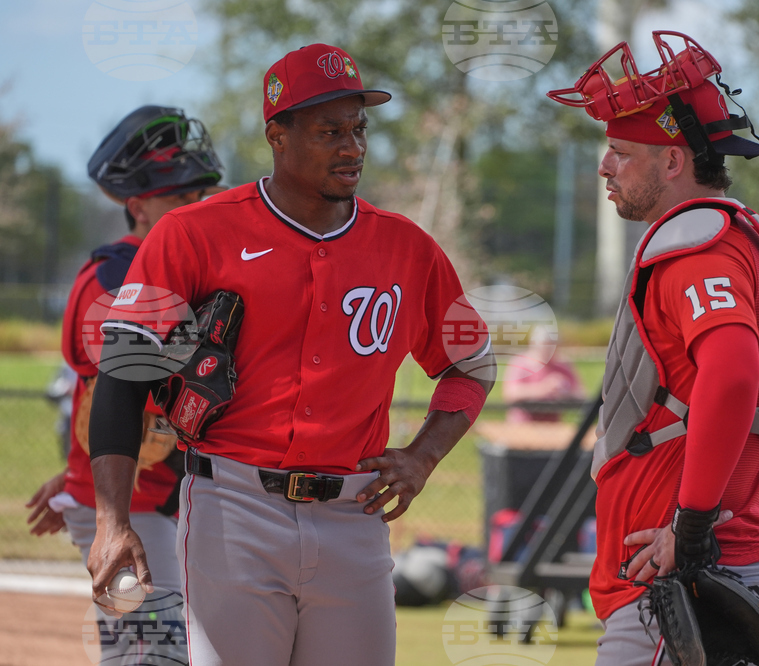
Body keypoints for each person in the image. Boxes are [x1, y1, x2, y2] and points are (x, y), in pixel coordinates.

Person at [85, 43, 495, 666]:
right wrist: (112, 520)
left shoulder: (406, 248)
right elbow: (124, 370)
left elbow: (471, 366)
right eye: (330, 131)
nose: (352, 147)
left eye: (359, 129)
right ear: (277, 135)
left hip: (356, 516)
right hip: (234, 508)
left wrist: (422, 457)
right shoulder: (196, 232)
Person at [548, 31, 759, 665]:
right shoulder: (736, 234)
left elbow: (730, 376)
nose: (605, 167)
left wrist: (690, 531)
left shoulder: (697, 243)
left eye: (621, 153)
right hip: (709, 568)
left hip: (695, 575)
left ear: (673, 162)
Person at [25, 105, 225, 664]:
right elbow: (116, 394)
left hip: (163, 499)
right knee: (150, 656)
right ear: (137, 206)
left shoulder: (195, 266)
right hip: (127, 509)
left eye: (202, 193)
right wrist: (83, 483)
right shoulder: (116, 277)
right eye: (179, 197)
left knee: (161, 653)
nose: (196, 207)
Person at [503, 325, 585, 422]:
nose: (548, 350)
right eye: (545, 345)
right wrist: (543, 388)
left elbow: (581, 394)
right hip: (523, 426)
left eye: (552, 346)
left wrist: (564, 392)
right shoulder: (520, 363)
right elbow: (511, 394)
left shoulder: (562, 365)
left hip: (551, 427)